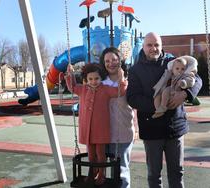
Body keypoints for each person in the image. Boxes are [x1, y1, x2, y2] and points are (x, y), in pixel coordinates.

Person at [126, 32, 202, 188]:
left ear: (161, 46)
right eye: (149, 45)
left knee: (177, 172)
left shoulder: (173, 61)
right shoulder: (135, 70)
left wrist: (185, 94)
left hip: (175, 126)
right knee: (154, 175)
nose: (153, 48)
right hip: (151, 127)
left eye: (156, 45)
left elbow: (197, 79)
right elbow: (132, 98)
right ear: (143, 46)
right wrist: (159, 104)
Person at [65, 63, 127, 185]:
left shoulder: (105, 89)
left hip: (101, 128)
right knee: (91, 154)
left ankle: (101, 174)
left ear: (101, 78)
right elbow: (72, 87)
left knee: (100, 153)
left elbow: (120, 91)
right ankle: (92, 172)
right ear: (86, 79)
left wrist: (122, 78)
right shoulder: (82, 89)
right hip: (87, 128)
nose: (93, 81)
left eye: (96, 79)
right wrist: (70, 74)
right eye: (90, 79)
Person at [100, 47, 137, 188]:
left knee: (122, 170)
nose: (111, 63)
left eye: (114, 59)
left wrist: (136, 128)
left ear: (120, 60)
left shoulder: (128, 83)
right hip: (105, 134)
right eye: (107, 61)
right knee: (106, 170)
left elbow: (134, 108)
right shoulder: (100, 83)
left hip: (124, 133)